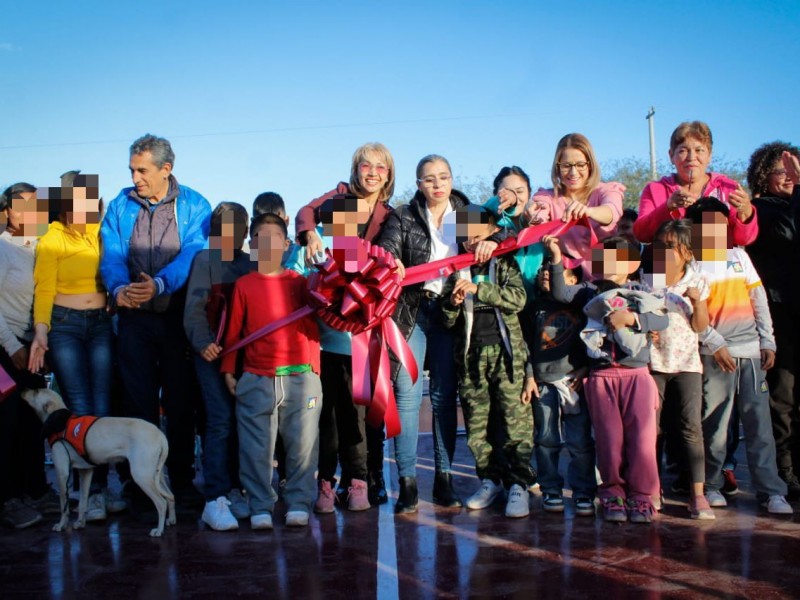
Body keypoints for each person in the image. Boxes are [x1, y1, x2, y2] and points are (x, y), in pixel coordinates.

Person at [377, 154, 500, 513]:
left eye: (443, 176)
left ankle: (444, 479)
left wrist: (491, 240)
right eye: (428, 179)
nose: (437, 184)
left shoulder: (465, 210)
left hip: (451, 310)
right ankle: (408, 482)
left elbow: (501, 232)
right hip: (412, 310)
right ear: (418, 184)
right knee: (408, 394)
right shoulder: (403, 215)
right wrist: (391, 260)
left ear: (451, 179)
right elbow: (387, 248)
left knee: (446, 396)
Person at [100, 134, 211, 508]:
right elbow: (112, 253)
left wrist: (161, 285)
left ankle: (180, 479)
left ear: (167, 169)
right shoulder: (119, 204)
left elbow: (194, 253)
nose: (135, 178)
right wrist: (118, 289)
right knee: (137, 403)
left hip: (176, 318)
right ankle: (137, 484)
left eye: (142, 170)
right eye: (132, 170)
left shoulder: (196, 205)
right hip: (133, 319)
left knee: (180, 403)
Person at [295, 143, 395, 505]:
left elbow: (395, 255)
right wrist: (311, 234)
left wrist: (392, 269)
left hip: (373, 321)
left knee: (370, 407)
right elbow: (306, 212)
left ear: (389, 173)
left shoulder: (391, 214)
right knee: (332, 414)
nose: (372, 172)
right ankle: (329, 480)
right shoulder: (339, 197)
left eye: (380, 167)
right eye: (365, 165)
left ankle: (367, 478)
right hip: (333, 331)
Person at [548, 235, 668, 523]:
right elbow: (561, 292)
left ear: (633, 263)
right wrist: (555, 257)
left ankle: (642, 496)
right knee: (609, 440)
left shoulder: (642, 291)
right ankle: (612, 492)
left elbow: (663, 319)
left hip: (636, 376)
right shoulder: (590, 292)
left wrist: (632, 320)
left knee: (642, 439)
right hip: (601, 377)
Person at [686, 198, 793, 515]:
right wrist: (716, 344)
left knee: (759, 426)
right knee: (716, 426)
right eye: (705, 227)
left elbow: (759, 300)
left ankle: (771, 491)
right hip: (713, 358)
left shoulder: (740, 257)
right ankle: (714, 485)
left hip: (752, 358)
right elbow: (695, 316)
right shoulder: (691, 266)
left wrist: (768, 341)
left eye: (719, 226)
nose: (712, 233)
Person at [221, 213, 322, 529]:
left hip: (300, 378)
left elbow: (313, 328)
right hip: (256, 378)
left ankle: (299, 501)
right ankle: (260, 504)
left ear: (287, 244)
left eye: (274, 238)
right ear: (251, 246)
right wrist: (228, 370)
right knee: (255, 449)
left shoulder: (301, 283)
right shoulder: (243, 285)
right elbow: (234, 333)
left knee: (303, 446)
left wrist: (314, 371)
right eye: (259, 239)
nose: (266, 245)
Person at [28, 173, 118, 521]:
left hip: (100, 324)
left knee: (102, 404)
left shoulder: (103, 233)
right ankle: (90, 494)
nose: (80, 209)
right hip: (64, 325)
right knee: (79, 406)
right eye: (73, 202)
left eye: (87, 201)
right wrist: (41, 333)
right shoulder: (51, 237)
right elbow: (44, 290)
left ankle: (104, 488)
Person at [440, 205, 534, 518]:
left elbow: (518, 300)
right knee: (478, 427)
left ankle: (518, 482)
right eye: (463, 235)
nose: (470, 241)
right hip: (471, 359)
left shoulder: (503, 260)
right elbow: (448, 320)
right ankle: (489, 479)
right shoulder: (456, 267)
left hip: (506, 358)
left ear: (492, 231)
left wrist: (480, 289)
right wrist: (453, 304)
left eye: (476, 234)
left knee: (513, 421)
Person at [287, 194, 373, 513]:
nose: (345, 225)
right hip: (320, 352)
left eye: (352, 219)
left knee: (355, 419)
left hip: (358, 350)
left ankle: (357, 483)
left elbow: (383, 286)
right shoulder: (312, 249)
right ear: (326, 222)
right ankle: (325, 484)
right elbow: (293, 285)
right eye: (338, 219)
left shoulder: (367, 251)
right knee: (326, 421)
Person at [184, 202, 254, 530]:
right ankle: (216, 496)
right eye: (224, 228)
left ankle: (238, 488)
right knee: (220, 421)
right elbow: (195, 309)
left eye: (238, 228)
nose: (231, 235)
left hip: (243, 358)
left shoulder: (249, 263)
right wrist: (203, 343)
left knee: (243, 422)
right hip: (211, 357)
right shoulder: (205, 260)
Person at [640, 219, 714, 520]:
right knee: (651, 429)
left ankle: (699, 495)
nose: (665, 251)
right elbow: (637, 319)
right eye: (661, 245)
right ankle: (652, 489)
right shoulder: (646, 279)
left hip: (687, 365)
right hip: (653, 364)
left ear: (686, 251)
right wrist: (646, 331)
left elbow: (701, 327)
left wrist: (697, 304)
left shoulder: (697, 282)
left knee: (690, 427)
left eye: (672, 246)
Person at [0, 183, 58, 529]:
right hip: (6, 344)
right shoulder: (2, 247)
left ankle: (35, 490)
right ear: (7, 211)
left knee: (32, 421)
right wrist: (13, 347)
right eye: (20, 206)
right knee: (5, 422)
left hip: (32, 343)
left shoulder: (41, 245)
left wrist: (41, 339)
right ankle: (7, 499)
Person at [522, 250, 596, 516]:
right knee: (546, 439)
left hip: (572, 382)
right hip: (543, 383)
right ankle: (551, 490)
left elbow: (594, 338)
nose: (545, 272)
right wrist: (530, 376)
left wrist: (586, 367)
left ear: (573, 278)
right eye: (542, 269)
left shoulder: (581, 304)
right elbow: (525, 346)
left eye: (553, 269)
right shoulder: (533, 308)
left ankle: (584, 492)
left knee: (579, 442)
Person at [745, 143, 800, 499]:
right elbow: (789, 233)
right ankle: (786, 471)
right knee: (782, 396)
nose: (791, 179)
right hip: (779, 313)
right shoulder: (759, 210)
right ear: (765, 174)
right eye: (784, 171)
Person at [635, 121, 757, 245]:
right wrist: (668, 206)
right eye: (683, 150)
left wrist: (746, 211)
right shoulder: (655, 189)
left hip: (718, 262)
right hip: (671, 263)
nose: (691, 157)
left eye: (699, 150)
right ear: (671, 155)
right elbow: (641, 234)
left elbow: (744, 239)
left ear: (710, 155)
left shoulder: (728, 188)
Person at [526, 133, 624, 277]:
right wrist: (535, 220)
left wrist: (588, 212)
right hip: (568, 282)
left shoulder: (608, 190)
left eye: (580, 165)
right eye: (566, 166)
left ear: (590, 165)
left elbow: (612, 211)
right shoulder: (546, 196)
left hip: (608, 278)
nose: (573, 172)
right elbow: (539, 215)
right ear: (557, 167)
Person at [484, 165, 545, 300]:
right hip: (500, 307)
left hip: (535, 309)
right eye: (506, 191)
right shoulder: (487, 223)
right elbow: (457, 225)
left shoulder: (538, 223)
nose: (514, 196)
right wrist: (510, 200)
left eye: (520, 191)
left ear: (529, 193)